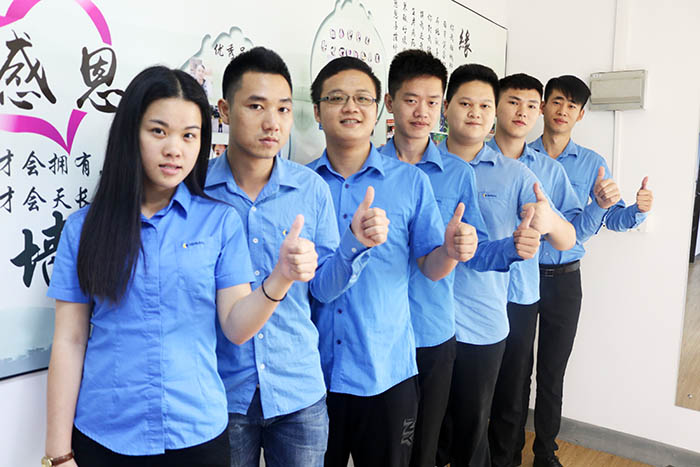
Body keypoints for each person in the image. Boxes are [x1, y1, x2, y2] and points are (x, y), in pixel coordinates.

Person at [44, 66, 312, 467]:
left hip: (196, 434)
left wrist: (281, 278)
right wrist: (58, 454)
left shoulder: (219, 221)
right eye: (159, 131)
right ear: (130, 133)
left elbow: (236, 327)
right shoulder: (85, 228)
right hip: (106, 434)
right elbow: (70, 340)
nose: (175, 149)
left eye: (189, 135)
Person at [206, 47, 376, 467]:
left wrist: (354, 244)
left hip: (297, 389)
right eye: (256, 106)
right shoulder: (198, 192)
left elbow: (323, 289)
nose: (272, 122)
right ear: (225, 111)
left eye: (283, 109)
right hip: (222, 391)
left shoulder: (309, 188)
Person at [307, 56, 475, 467]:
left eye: (362, 98)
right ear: (317, 111)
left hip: (385, 370)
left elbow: (429, 267)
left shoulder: (409, 181)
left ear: (377, 108)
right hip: (315, 372)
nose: (351, 107)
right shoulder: (302, 186)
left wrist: (450, 252)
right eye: (337, 98)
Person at [379, 50, 536, 467]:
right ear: (390, 102)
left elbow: (475, 250)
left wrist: (511, 248)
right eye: (411, 100)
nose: (422, 111)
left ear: (440, 106)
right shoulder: (370, 168)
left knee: (430, 444)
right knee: (387, 445)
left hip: (433, 330)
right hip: (380, 330)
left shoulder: (457, 173)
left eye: (431, 101)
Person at [436, 64, 574, 467]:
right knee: (429, 429)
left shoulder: (517, 175)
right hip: (426, 320)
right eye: (466, 103)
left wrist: (548, 223)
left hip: (484, 319)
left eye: (483, 105)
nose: (475, 113)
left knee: (479, 422)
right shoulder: (421, 167)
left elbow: (567, 239)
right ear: (446, 107)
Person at [522, 75, 654, 467]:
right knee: (514, 371)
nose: (563, 111)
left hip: (565, 279)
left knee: (552, 373)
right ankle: (505, 450)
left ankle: (545, 452)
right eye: (557, 101)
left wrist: (638, 210)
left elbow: (609, 217)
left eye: (572, 105)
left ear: (580, 115)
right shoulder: (520, 155)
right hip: (520, 276)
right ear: (543, 106)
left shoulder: (593, 163)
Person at [485, 73, 582, 467]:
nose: (521, 112)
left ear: (538, 110)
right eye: (513, 102)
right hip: (472, 293)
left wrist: (549, 221)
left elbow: (568, 236)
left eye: (530, 104)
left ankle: (506, 460)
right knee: (468, 389)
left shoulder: (548, 171)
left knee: (512, 389)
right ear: (496, 105)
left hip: (521, 293)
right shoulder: (469, 159)